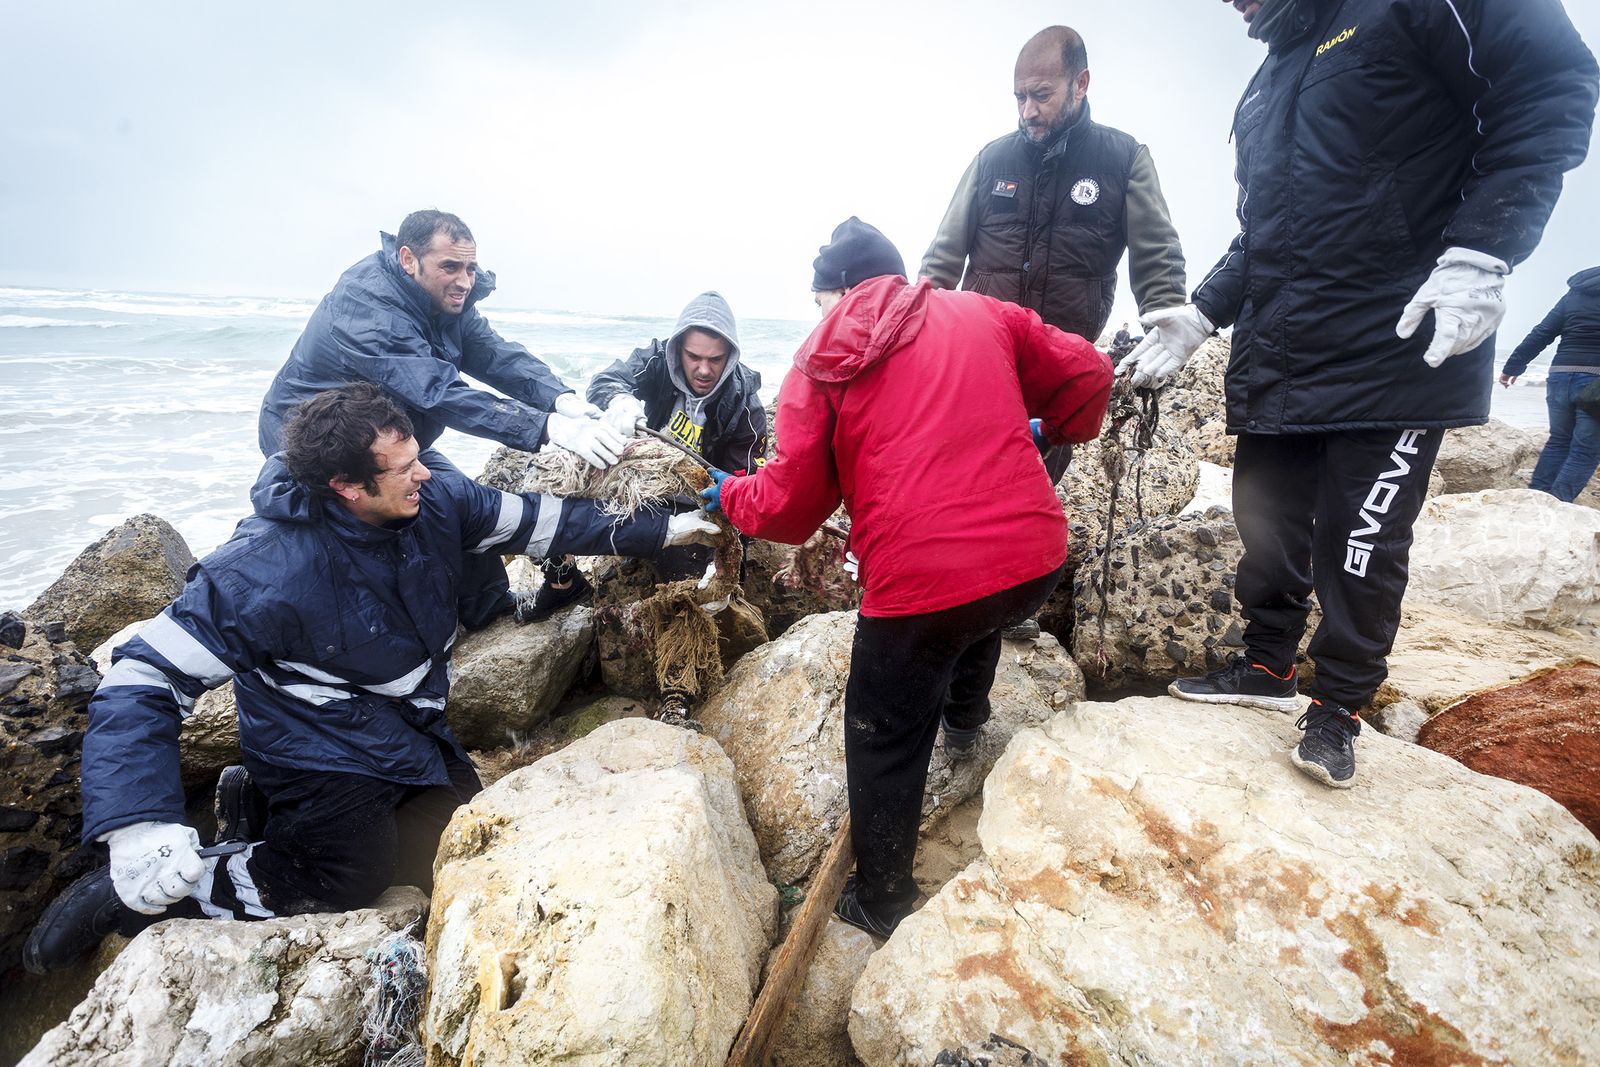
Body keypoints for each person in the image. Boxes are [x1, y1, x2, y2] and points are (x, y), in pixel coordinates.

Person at [24, 385, 718, 974]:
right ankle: (157, 891)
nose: (426, 473)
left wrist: (667, 529)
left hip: (404, 727)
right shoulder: (263, 568)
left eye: (419, 456)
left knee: (449, 847)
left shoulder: (435, 498)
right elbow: (142, 677)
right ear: (349, 487)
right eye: (404, 468)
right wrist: (137, 826)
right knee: (347, 875)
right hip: (313, 742)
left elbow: (542, 520)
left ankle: (253, 810)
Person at [1120, 0, 1597, 789]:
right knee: (1263, 520)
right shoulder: (1268, 80)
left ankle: (1339, 704)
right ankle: (1268, 666)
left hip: (1397, 342)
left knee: (1360, 538)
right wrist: (1202, 311)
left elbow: (1552, 80)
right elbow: (1262, 230)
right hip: (1283, 349)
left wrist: (1485, 247)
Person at [703, 218, 1113, 936]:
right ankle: (966, 717)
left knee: (883, 730)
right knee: (977, 608)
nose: (822, 313)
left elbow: (793, 506)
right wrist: (1054, 427)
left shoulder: (818, 359)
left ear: (838, 291)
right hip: (1033, 562)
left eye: (820, 298)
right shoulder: (983, 312)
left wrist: (729, 496)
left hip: (920, 588)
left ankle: (883, 899)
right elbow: (1088, 372)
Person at [258, 210, 628, 627]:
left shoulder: (443, 299)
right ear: (408, 260)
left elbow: (491, 352)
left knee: (452, 498)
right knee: (383, 525)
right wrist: (546, 428)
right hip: (316, 441)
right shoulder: (366, 305)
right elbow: (435, 390)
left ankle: (488, 607)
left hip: (389, 434)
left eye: (470, 267)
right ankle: (376, 627)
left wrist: (561, 399)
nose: (465, 281)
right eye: (450, 267)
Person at [920, 24, 1187, 483]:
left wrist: (1167, 327)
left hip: (1059, 363)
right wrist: (918, 329)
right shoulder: (992, 160)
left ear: (1080, 84)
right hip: (980, 355)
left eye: (1041, 95)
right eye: (1019, 97)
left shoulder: (1124, 159)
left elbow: (1157, 251)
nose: (1028, 111)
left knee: (1034, 481)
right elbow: (943, 255)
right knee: (958, 474)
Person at [587, 290, 766, 584]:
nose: (704, 370)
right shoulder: (657, 360)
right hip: (648, 488)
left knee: (686, 580)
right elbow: (606, 380)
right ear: (678, 348)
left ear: (730, 357)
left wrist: (728, 559)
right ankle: (562, 584)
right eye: (693, 356)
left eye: (716, 359)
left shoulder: (745, 407)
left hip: (700, 504)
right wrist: (620, 400)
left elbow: (744, 490)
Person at [1499, 267, 1600, 502]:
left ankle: (1534, 502)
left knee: (1558, 441)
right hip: (1595, 384)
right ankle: (1557, 507)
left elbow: (1543, 332)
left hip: (1559, 377)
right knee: (1585, 450)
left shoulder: (1575, 294)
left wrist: (1513, 366)